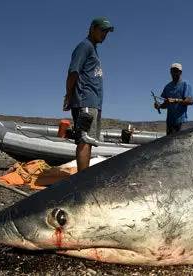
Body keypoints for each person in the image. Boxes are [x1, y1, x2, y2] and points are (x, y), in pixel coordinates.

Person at [63, 17, 114, 172]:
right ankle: (82, 181)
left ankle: (83, 177)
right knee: (84, 140)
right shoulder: (84, 46)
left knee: (88, 140)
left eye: (107, 32)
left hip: (93, 103)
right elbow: (73, 72)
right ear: (92, 28)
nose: (104, 34)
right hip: (85, 100)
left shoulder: (93, 48)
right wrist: (69, 95)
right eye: (102, 30)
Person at [154, 63, 193, 135]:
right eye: (172, 71)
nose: (174, 73)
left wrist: (176, 100)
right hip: (170, 122)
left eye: (176, 71)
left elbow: (190, 101)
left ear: (180, 72)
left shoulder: (185, 84)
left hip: (181, 121)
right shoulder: (167, 87)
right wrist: (159, 106)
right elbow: (166, 104)